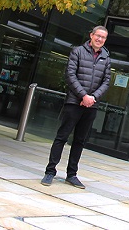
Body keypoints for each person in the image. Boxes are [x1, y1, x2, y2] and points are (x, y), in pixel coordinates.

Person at [41, 26, 111, 189]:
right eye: (98, 36)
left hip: (91, 105)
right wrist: (83, 96)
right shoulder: (78, 52)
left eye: (103, 37)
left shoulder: (106, 58)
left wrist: (92, 98)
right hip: (74, 102)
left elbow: (106, 81)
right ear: (91, 35)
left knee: (80, 140)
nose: (100, 39)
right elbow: (70, 75)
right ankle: (50, 171)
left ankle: (72, 175)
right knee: (62, 137)